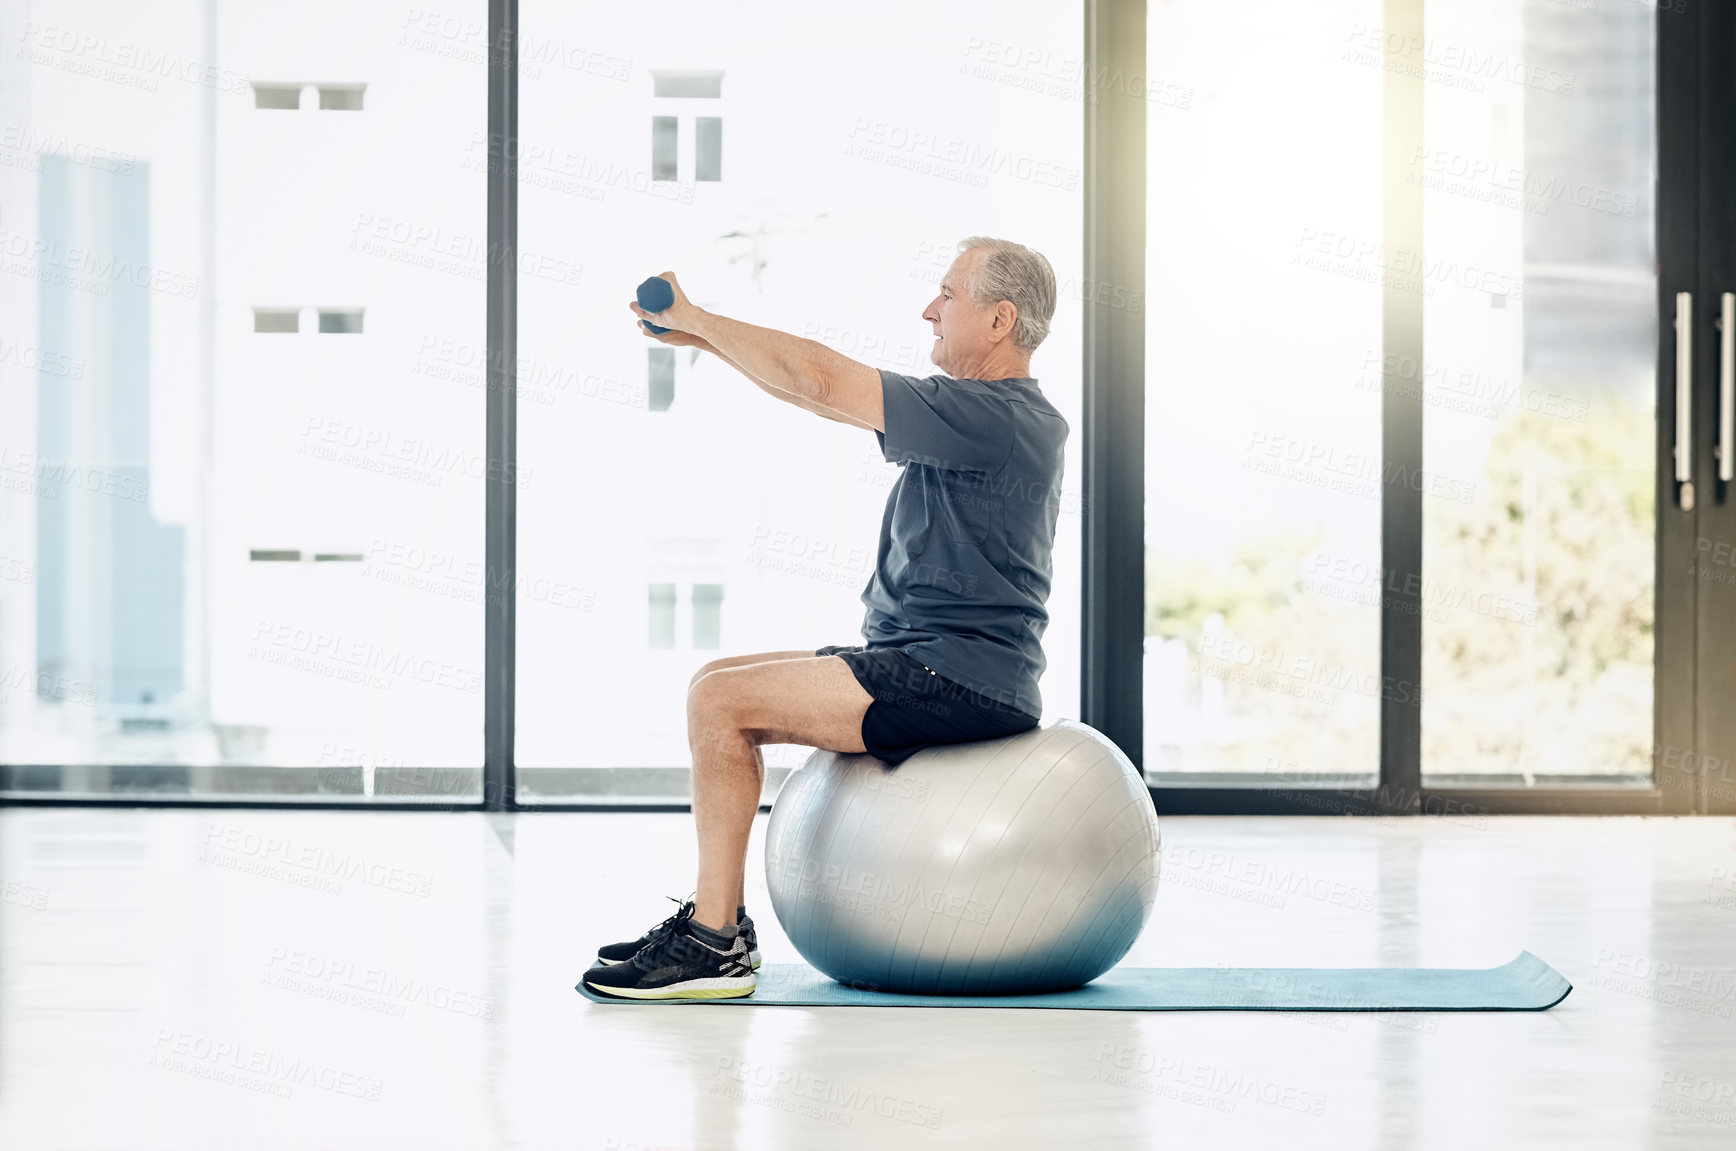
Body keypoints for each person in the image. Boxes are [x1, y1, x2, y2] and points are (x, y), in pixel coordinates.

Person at [583, 237, 1068, 1000]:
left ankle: (713, 943)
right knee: (717, 680)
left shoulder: (995, 416)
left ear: (1000, 319)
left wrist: (701, 314)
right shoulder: (981, 414)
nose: (929, 309)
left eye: (948, 293)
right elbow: (813, 393)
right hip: (926, 657)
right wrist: (703, 336)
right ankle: (722, 925)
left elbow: (820, 375)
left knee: (719, 703)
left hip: (956, 675)